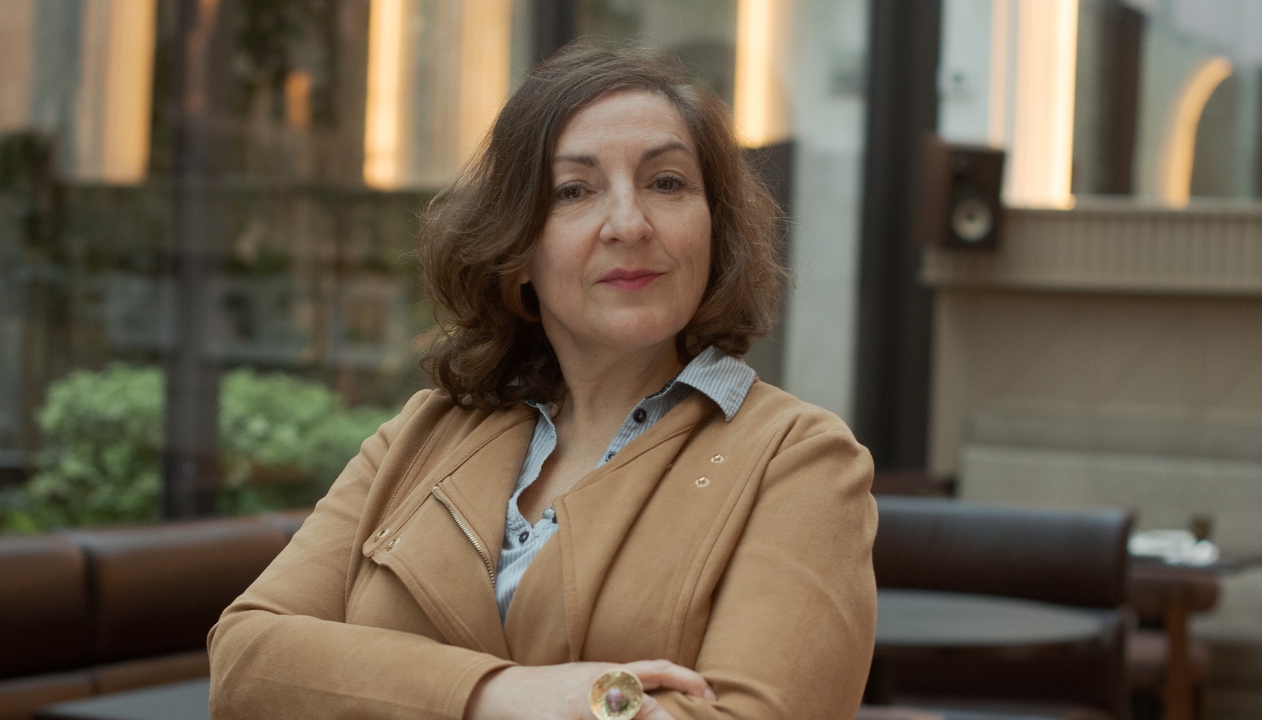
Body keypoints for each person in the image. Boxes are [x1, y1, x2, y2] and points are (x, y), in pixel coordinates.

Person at [208, 43, 877, 720]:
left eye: (667, 183)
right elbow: (245, 660)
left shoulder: (799, 460)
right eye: (573, 191)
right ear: (517, 249)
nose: (629, 224)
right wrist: (498, 695)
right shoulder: (421, 436)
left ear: (713, 229)